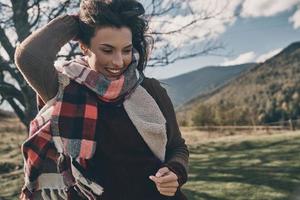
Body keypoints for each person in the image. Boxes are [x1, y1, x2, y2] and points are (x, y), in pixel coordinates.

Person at [15, 0, 189, 199]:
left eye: (126, 50)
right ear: (84, 47)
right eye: (107, 50)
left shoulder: (150, 89)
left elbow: (177, 146)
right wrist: (79, 22)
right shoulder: (63, 88)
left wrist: (175, 171)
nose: (118, 61)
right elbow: (29, 56)